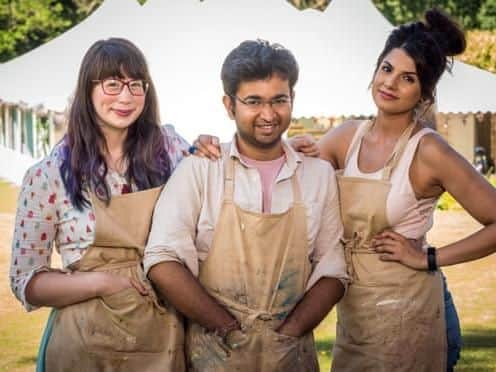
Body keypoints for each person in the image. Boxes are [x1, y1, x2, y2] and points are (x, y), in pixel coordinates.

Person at [289, 8, 496, 372]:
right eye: (386, 69)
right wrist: (294, 149)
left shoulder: (429, 151)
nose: (390, 84)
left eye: (407, 78)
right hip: (357, 317)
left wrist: (428, 258)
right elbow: (290, 183)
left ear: (423, 93)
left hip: (413, 314)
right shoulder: (346, 137)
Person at [144, 39, 349, 372]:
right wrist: (226, 328)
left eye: (279, 100)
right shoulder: (200, 169)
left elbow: (333, 269)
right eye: (253, 101)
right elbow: (161, 259)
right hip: (214, 354)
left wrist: (288, 334)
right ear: (229, 105)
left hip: (290, 357)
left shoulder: (318, 175)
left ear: (292, 99)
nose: (268, 115)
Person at [9, 38, 188, 371]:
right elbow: (27, 282)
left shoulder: (172, 150)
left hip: (164, 338)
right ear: (87, 90)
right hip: (83, 345)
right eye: (112, 84)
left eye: (136, 84)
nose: (126, 96)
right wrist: (104, 283)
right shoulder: (48, 176)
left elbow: (225, 175)